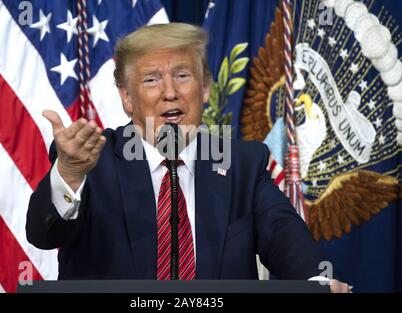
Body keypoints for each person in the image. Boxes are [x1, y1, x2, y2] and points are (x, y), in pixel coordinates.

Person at [26, 23, 349, 292]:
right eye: (151, 79)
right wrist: (68, 173)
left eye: (182, 76)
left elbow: (283, 234)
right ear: (127, 97)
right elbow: (43, 235)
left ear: (205, 88)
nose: (170, 92)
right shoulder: (91, 160)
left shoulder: (242, 163)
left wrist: (316, 282)